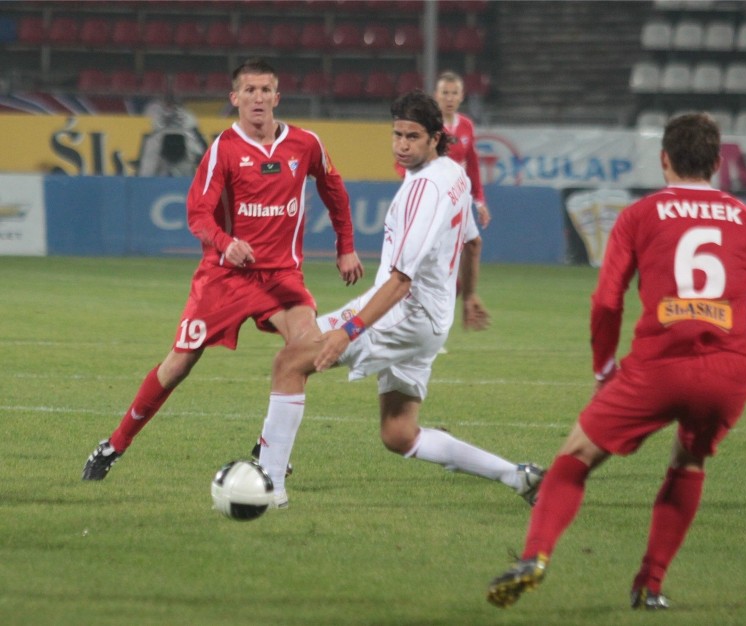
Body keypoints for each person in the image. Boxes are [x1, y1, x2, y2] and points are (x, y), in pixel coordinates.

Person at [486, 113, 746, 610]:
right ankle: (650, 585)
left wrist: (603, 369)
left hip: (659, 366)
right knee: (689, 460)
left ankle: (535, 555)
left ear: (664, 160)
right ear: (718, 163)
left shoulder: (638, 216)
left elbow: (606, 302)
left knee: (575, 457)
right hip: (728, 371)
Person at [254, 90, 543, 509]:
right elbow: (473, 244)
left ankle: (269, 488)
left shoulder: (425, 190)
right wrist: (470, 296)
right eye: (397, 135)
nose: (402, 145)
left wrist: (347, 332)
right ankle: (516, 476)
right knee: (399, 433)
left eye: (412, 137)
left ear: (434, 138)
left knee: (289, 362)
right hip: (431, 323)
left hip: (404, 313)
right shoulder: (454, 176)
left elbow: (401, 281)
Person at [82, 57, 364, 480]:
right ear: (234, 99)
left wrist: (346, 247)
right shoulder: (224, 150)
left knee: (307, 347)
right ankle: (112, 446)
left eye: (265, 89)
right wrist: (225, 243)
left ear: (277, 97)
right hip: (225, 278)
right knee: (178, 365)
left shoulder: (305, 144)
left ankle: (271, 448)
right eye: (249, 90)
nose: (257, 98)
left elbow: (334, 191)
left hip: (281, 277)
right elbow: (197, 213)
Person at [395, 71, 490, 229]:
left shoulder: (466, 126)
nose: (449, 98)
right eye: (445, 93)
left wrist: (479, 201)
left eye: (454, 93)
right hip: (429, 197)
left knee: (469, 245)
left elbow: (472, 166)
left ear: (461, 96)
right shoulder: (424, 125)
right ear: (436, 95)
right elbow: (401, 162)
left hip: (457, 196)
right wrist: (418, 181)